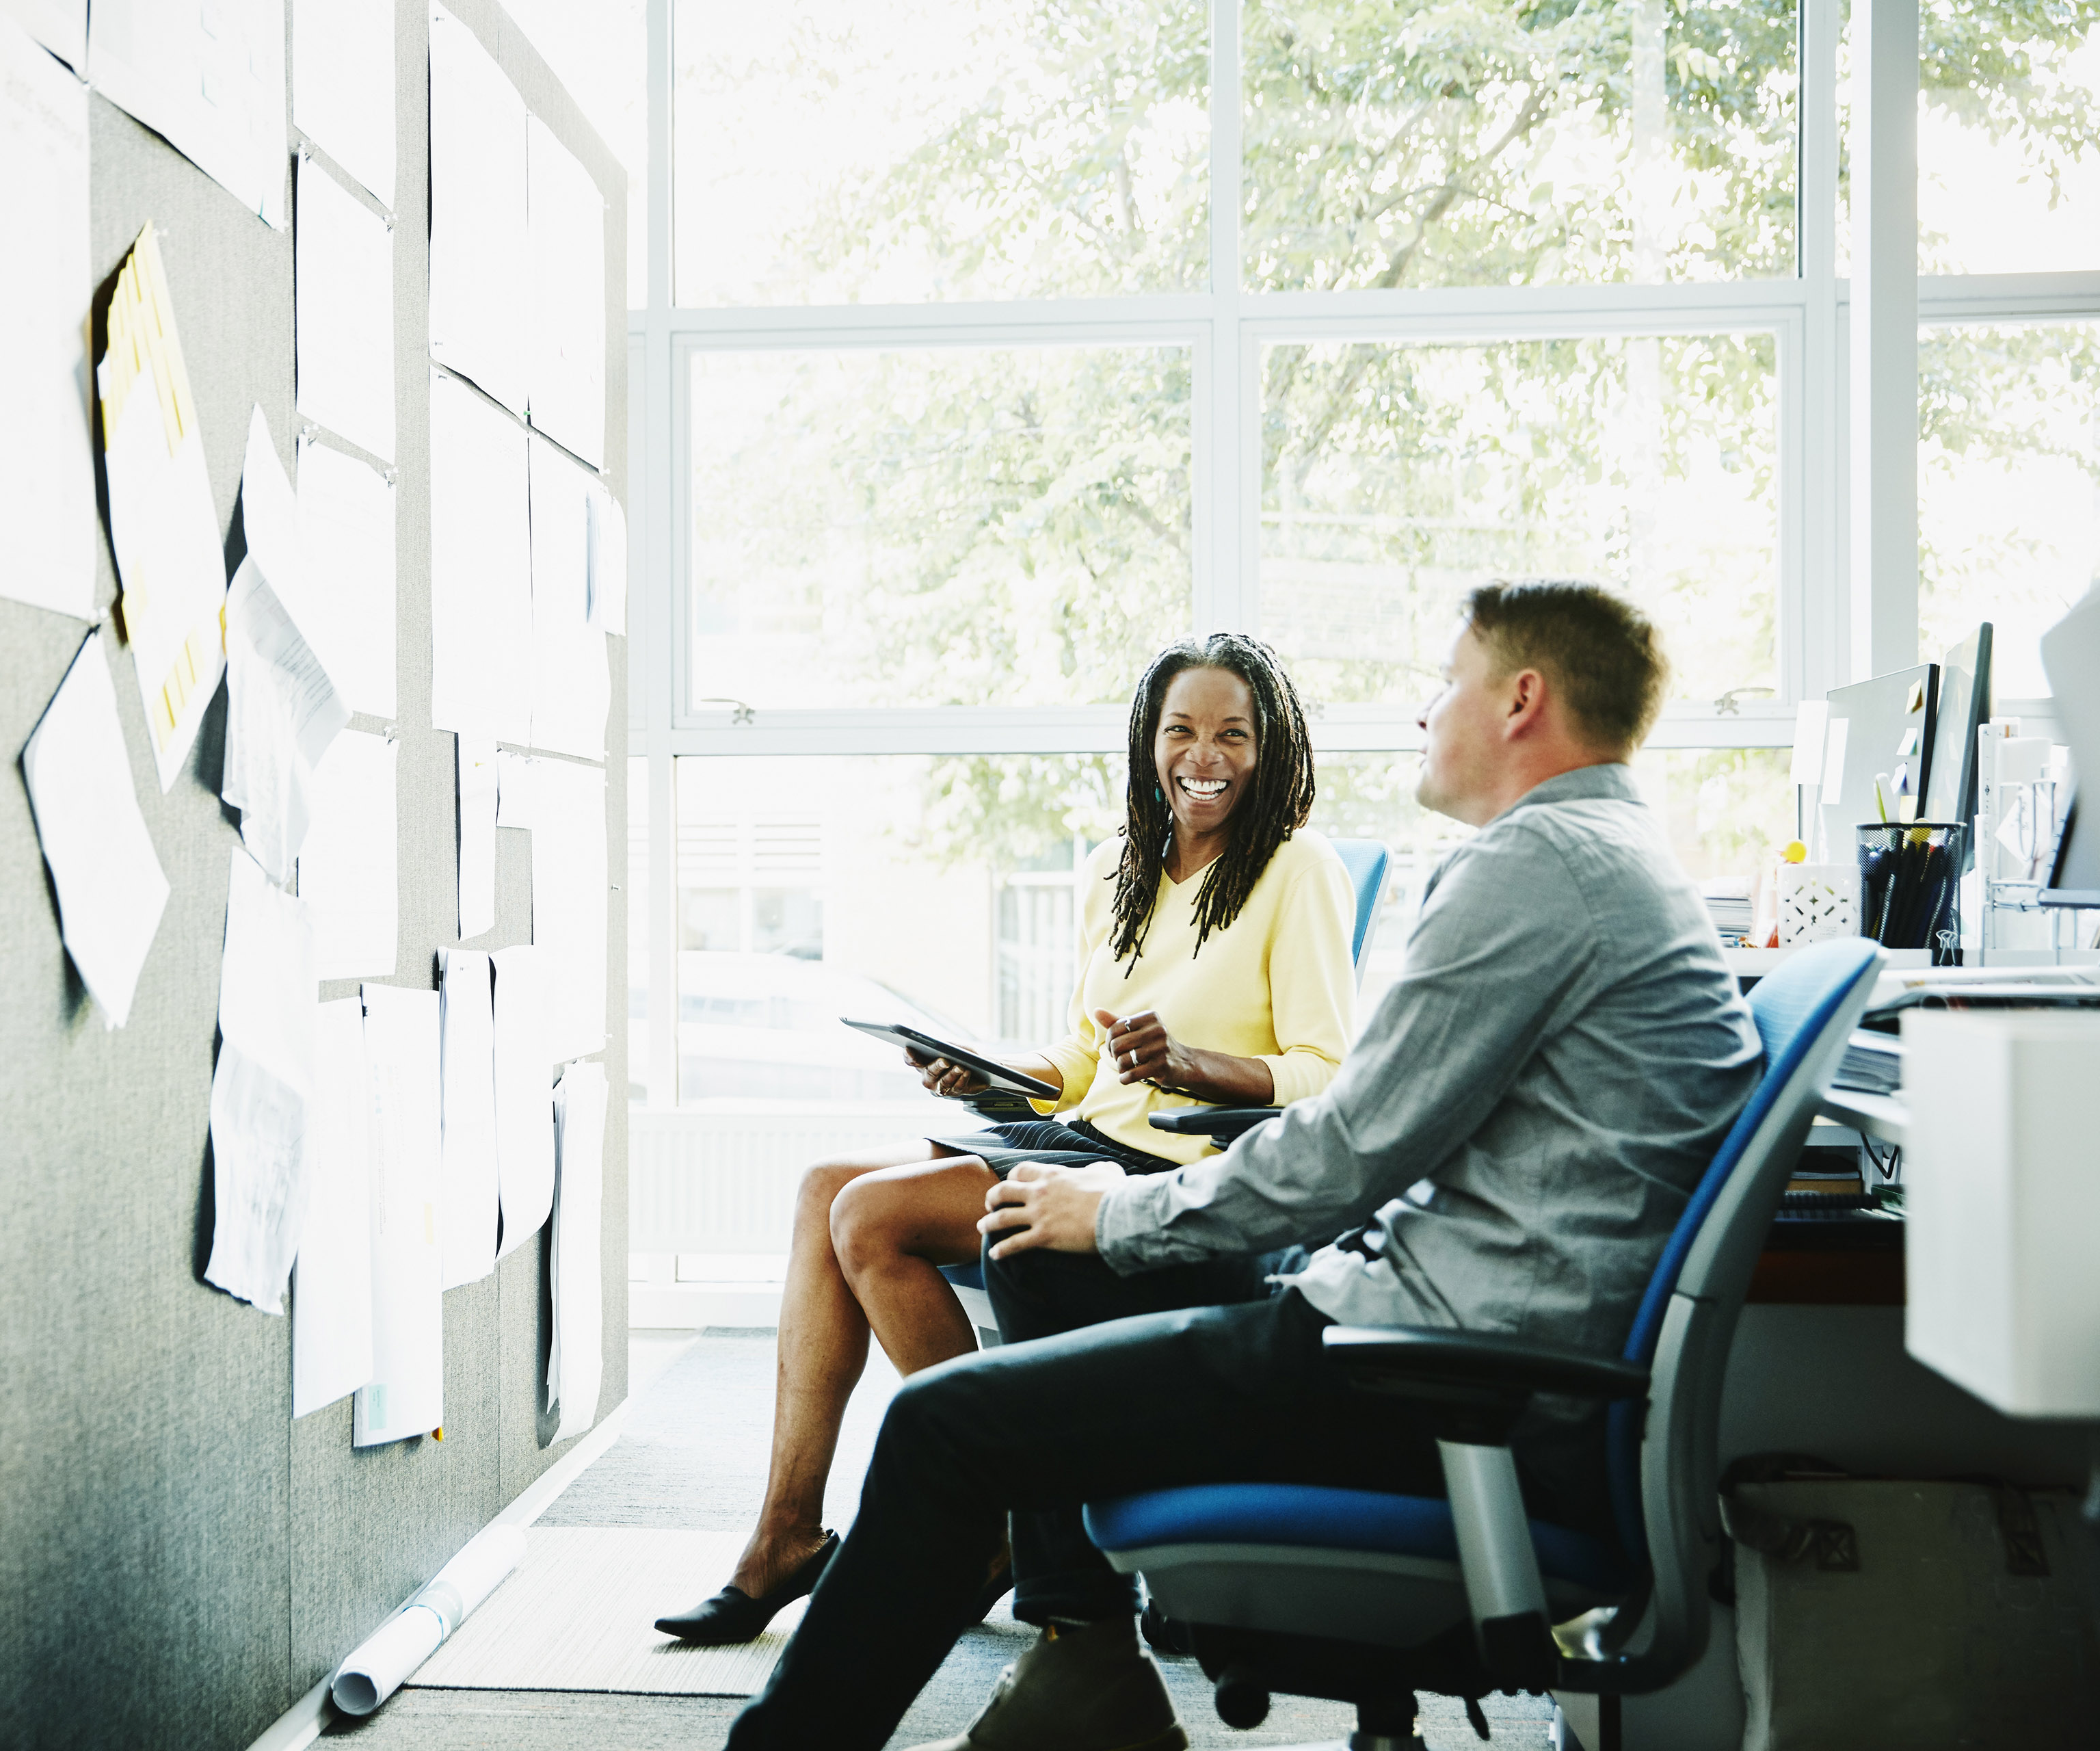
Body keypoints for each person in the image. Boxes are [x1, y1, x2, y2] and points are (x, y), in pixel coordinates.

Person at [721, 579, 1765, 1751]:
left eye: (1445, 681)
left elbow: (1349, 1140)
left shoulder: (1533, 869)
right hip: (1458, 1351)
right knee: (1038, 1253)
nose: (1426, 712)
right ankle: (1086, 1660)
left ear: (1522, 699)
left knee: (941, 1428)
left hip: (1423, 1376)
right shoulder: (1614, 855)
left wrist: (1120, 1215)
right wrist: (1090, 1203)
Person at [654, 634, 1358, 1645]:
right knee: (825, 1191)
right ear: (1147, 743)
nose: (1205, 757)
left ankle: (993, 1496)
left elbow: (1324, 1073)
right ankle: (787, 1537)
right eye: (1182, 731)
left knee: (870, 1216)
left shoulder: (1297, 868)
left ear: (1270, 748)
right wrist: (987, 1071)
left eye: (1233, 736)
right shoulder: (1119, 867)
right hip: (1087, 1140)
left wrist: (1197, 1065)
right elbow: (1082, 1056)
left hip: (1182, 1166)